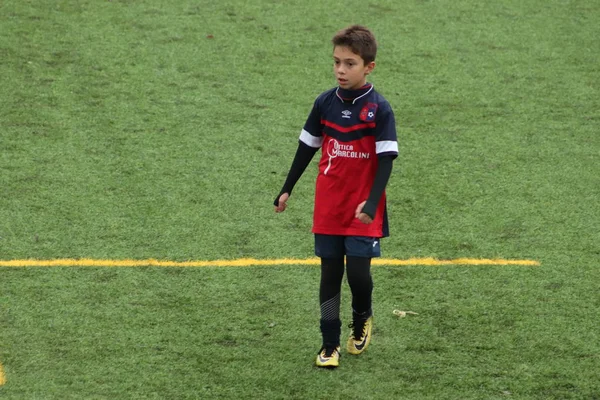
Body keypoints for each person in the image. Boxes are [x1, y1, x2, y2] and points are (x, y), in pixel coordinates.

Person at [274, 25, 398, 368]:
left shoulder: (379, 109)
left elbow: (387, 161)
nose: (341, 70)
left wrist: (372, 203)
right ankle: (329, 344)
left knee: (358, 275)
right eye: (337, 63)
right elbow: (306, 148)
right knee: (329, 275)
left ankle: (362, 317)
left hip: (362, 208)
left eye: (350, 63)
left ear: (368, 66)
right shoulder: (324, 103)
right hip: (328, 204)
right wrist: (288, 187)